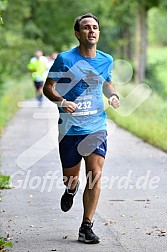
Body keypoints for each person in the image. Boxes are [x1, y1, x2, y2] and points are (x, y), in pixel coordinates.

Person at [43, 13, 120, 244]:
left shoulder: (106, 59)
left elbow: (107, 82)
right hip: (70, 129)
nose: (92, 31)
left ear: (98, 32)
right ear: (78, 33)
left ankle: (86, 226)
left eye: (95, 27)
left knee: (95, 175)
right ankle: (70, 190)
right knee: (71, 178)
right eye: (86, 28)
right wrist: (61, 101)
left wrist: (113, 94)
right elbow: (48, 87)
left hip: (96, 126)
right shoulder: (65, 59)